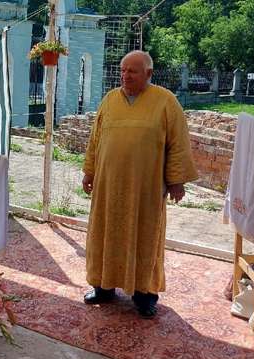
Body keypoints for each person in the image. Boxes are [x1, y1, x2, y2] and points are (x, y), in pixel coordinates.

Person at [81, 50, 198, 318]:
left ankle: (144, 295)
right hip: (108, 187)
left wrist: (176, 181)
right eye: (123, 70)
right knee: (104, 234)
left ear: (148, 73)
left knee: (145, 238)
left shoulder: (166, 101)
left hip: (146, 189)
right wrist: (89, 171)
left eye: (132, 71)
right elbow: (95, 140)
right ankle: (103, 287)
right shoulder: (110, 100)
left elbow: (178, 143)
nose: (125, 75)